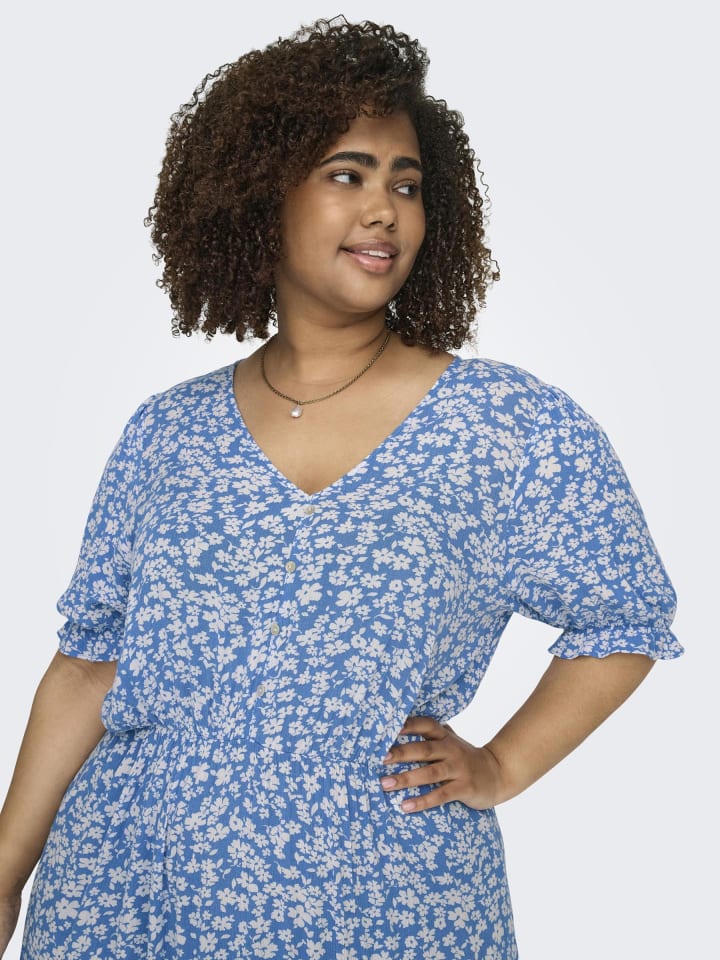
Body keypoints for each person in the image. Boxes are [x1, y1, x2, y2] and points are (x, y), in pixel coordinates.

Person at [0, 16, 683, 960]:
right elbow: (89, 666)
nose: (385, 211)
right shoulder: (166, 432)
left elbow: (625, 617)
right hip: (129, 898)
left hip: (387, 907)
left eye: (406, 183)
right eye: (347, 175)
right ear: (259, 195)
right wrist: (6, 873)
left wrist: (501, 764)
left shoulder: (507, 425)